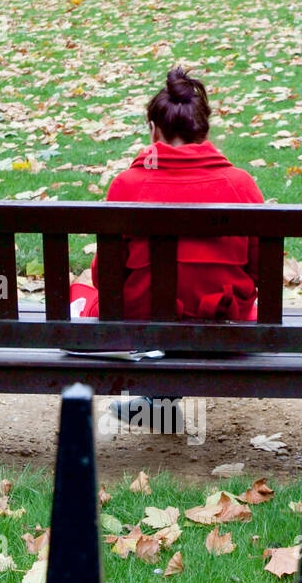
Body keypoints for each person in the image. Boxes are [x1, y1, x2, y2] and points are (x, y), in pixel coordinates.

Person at [68, 67, 264, 431]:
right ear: (204, 133)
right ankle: (160, 405)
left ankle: (159, 405)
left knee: (95, 293)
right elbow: (260, 269)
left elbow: (105, 278)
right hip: (223, 325)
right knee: (185, 293)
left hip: (144, 327)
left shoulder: (128, 185)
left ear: (154, 131)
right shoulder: (240, 185)